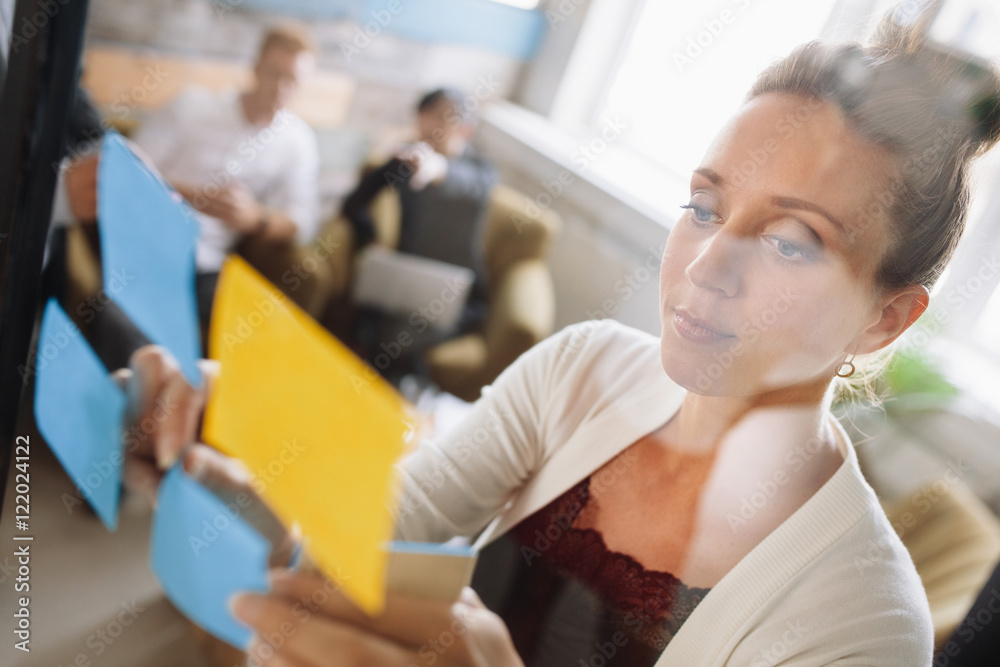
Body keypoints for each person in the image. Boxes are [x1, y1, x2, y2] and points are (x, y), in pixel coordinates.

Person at [118, 17, 1000, 666]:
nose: (704, 267)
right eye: (703, 207)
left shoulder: (868, 629)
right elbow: (366, 549)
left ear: (887, 317)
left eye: (790, 241)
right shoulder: (582, 369)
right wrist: (229, 470)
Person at [131, 24, 320, 332]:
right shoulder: (192, 106)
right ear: (256, 68)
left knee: (250, 332)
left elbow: (303, 221)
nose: (281, 87)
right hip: (149, 241)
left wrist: (256, 218)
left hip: (210, 263)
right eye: (275, 73)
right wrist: (196, 197)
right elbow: (128, 170)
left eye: (293, 79)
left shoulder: (297, 141)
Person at [342, 89, 498, 372]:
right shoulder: (407, 161)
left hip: (456, 294)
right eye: (426, 116)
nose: (431, 126)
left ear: (465, 129)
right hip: (404, 280)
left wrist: (434, 168)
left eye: (443, 118)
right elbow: (354, 204)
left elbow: (457, 180)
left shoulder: (481, 172)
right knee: (363, 326)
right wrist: (372, 238)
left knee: (397, 347)